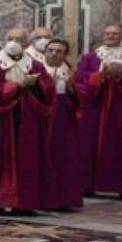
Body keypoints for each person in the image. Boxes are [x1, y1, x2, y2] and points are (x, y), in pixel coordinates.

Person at [0, 29, 53, 215]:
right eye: (10, 38)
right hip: (2, 119)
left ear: (27, 43)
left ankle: (26, 203)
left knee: (27, 159)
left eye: (18, 39)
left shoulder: (35, 64)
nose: (14, 42)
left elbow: (47, 88)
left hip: (28, 118)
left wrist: (35, 84)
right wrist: (16, 85)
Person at [75, 24, 122, 199]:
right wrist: (100, 76)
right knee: (89, 143)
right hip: (95, 106)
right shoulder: (90, 57)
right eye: (108, 33)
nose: (110, 36)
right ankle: (88, 185)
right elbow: (81, 79)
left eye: (115, 33)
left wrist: (121, 77)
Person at [41, 39, 85, 212]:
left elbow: (82, 95)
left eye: (59, 51)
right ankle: (43, 198)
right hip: (42, 117)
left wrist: (72, 89)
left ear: (65, 54)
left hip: (64, 118)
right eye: (51, 50)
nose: (54, 54)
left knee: (65, 158)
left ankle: (64, 199)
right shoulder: (36, 69)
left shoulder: (71, 72)